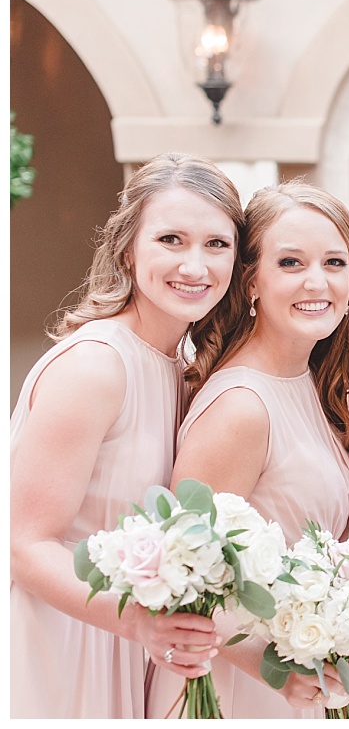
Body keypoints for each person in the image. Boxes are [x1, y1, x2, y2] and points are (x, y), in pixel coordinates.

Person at [9, 153, 241, 718]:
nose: (195, 265)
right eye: (171, 239)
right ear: (126, 248)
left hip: (135, 643)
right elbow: (25, 544)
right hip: (65, 646)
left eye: (217, 244)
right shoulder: (96, 367)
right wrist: (138, 621)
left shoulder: (183, 364)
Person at [144, 181, 349, 719]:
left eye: (335, 262)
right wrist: (276, 669)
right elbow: (185, 581)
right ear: (252, 282)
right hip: (232, 692)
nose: (318, 281)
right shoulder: (242, 406)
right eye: (291, 263)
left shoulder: (308, 382)